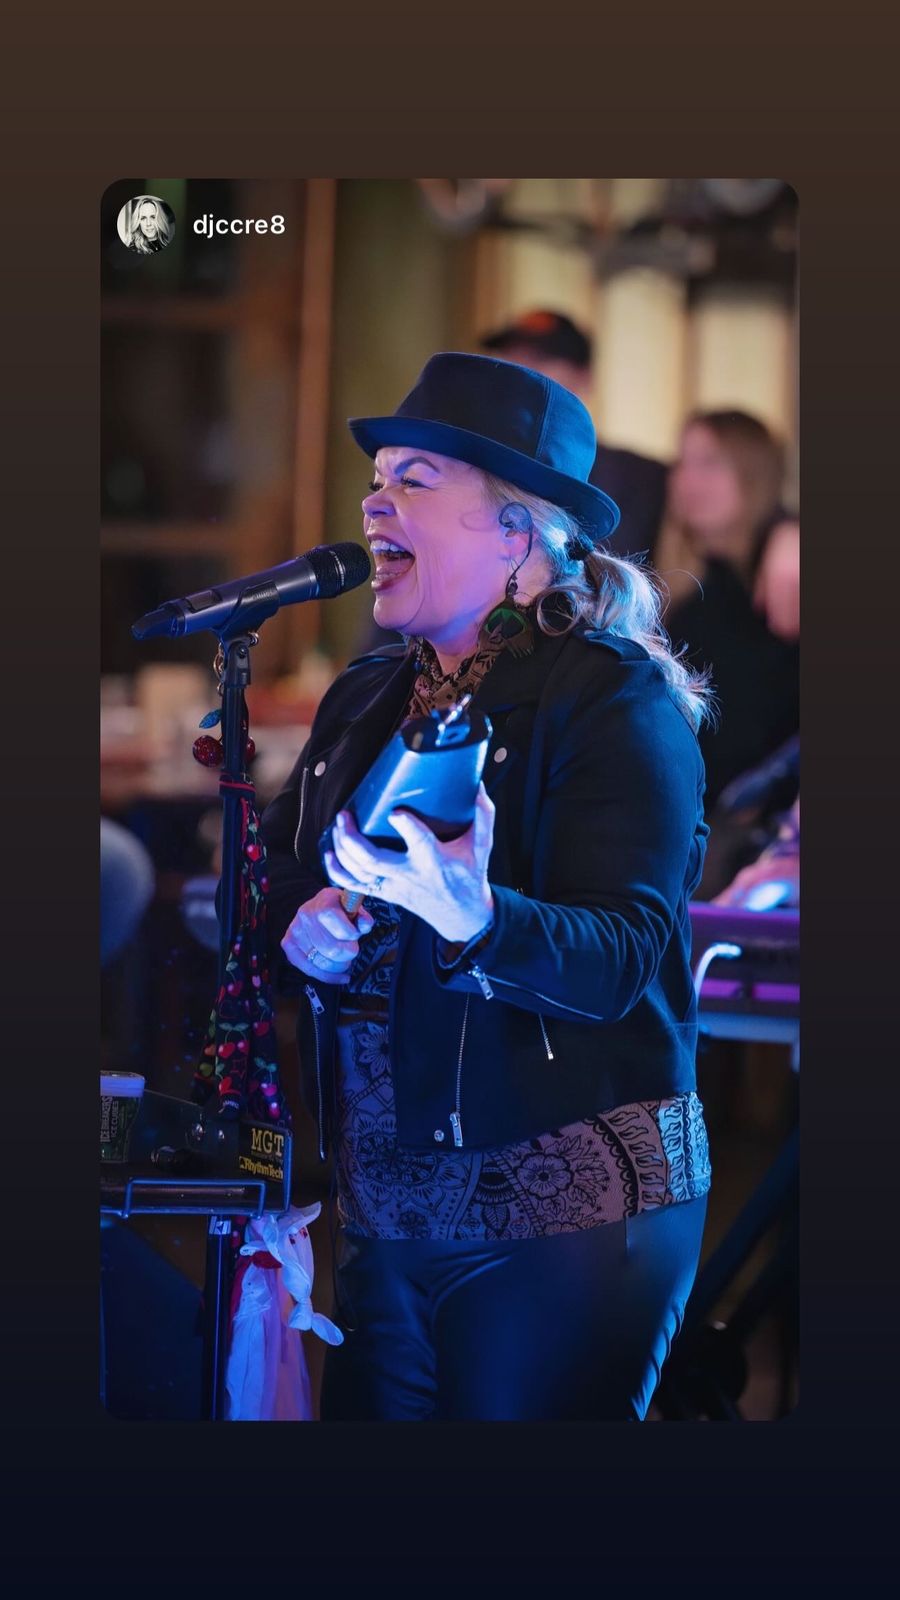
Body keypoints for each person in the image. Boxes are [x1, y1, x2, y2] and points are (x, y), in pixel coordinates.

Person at [260, 352, 714, 1422]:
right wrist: (301, 923)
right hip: (388, 1208)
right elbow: (280, 871)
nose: (374, 501)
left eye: (415, 480)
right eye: (378, 479)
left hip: (567, 1209)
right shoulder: (368, 694)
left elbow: (618, 957)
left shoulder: (615, 697)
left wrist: (477, 917)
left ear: (520, 530)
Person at [660, 409, 799, 819]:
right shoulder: (689, 597)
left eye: (709, 462)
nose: (688, 479)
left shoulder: (783, 570)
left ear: (753, 472)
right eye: (682, 463)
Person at [480, 308, 669, 562]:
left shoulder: (645, 480)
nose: (519, 373)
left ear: (585, 378)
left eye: (539, 360)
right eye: (508, 360)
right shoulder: (471, 464)